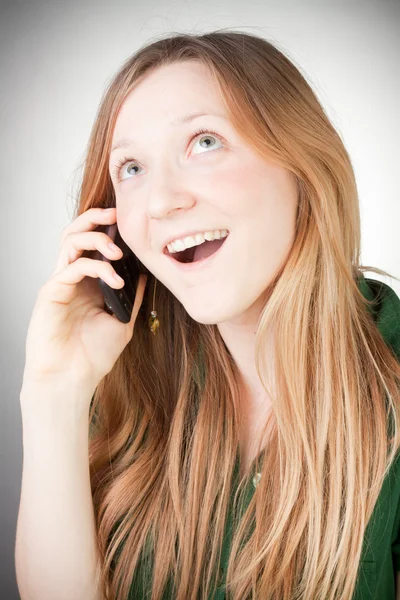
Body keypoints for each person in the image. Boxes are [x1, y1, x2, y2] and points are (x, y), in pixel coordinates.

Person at [15, 30, 400, 600]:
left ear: (301, 162)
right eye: (131, 169)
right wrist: (53, 394)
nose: (161, 201)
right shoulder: (129, 390)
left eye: (204, 142)